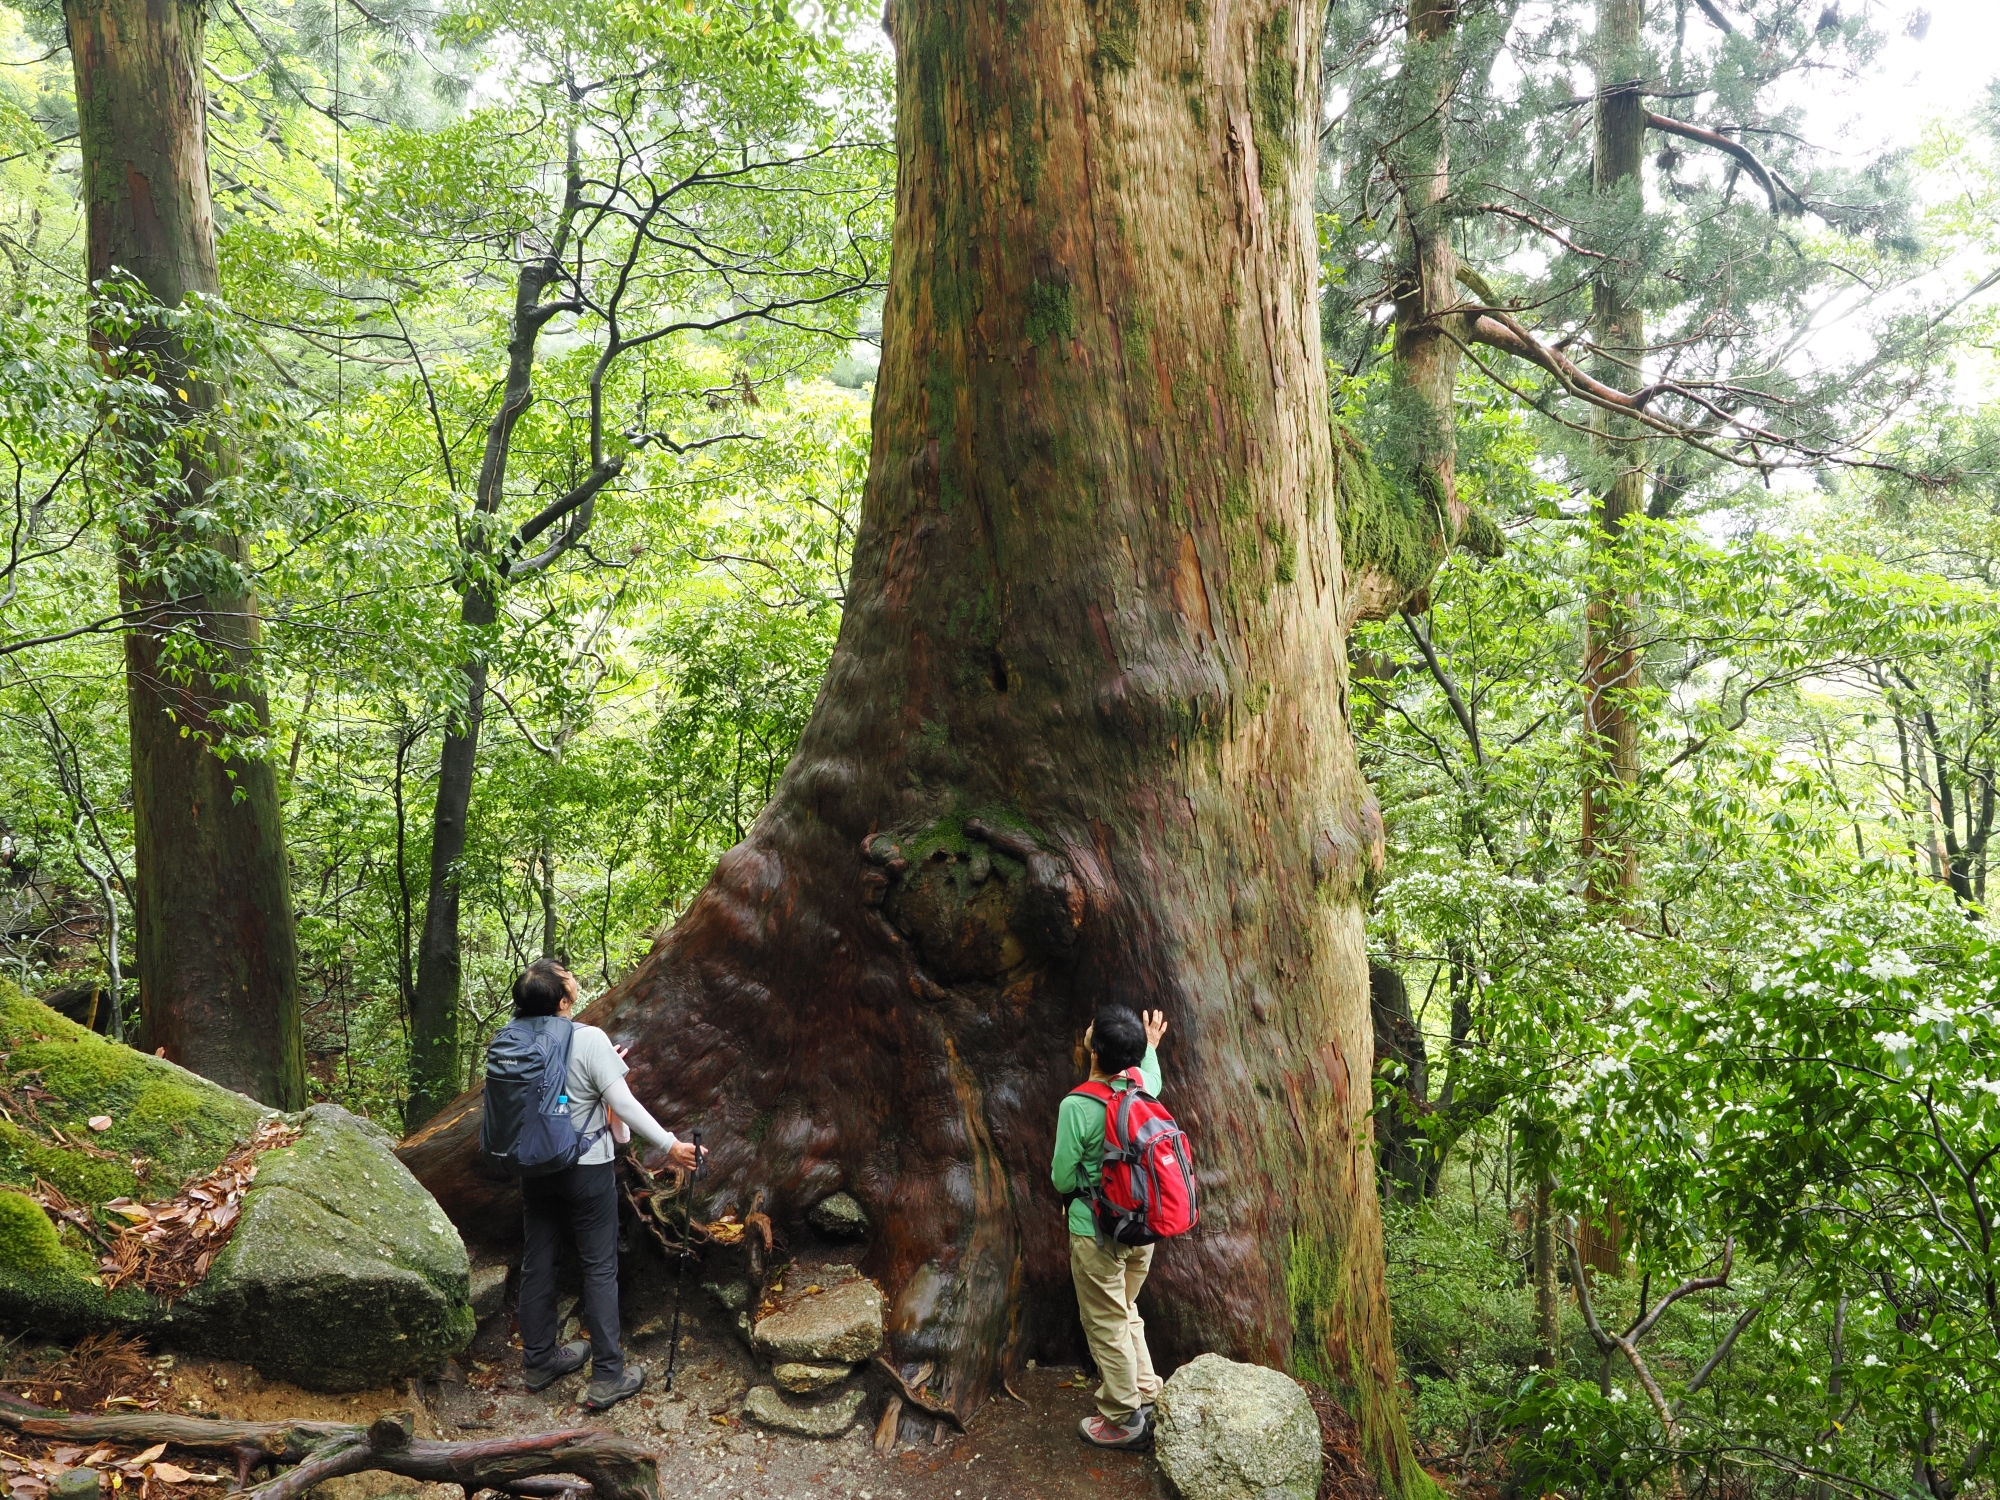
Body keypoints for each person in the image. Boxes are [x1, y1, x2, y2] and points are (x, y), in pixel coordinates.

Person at [509, 958, 702, 1410]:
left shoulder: (511, 1041)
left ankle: (538, 1361)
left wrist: (600, 1068)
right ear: (562, 999)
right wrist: (671, 1146)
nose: (572, 975)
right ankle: (608, 1376)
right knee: (599, 1266)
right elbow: (623, 1105)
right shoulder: (588, 1038)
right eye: (565, 975)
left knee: (539, 1261)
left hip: (535, 1168)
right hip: (586, 1167)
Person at [1050, 1004, 1170, 1449]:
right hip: (1143, 1229)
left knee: (1104, 1321)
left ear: (1094, 1050)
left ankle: (1123, 1420)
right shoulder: (1145, 1089)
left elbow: (1063, 1178)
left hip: (1096, 1231)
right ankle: (1148, 1393)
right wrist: (1150, 1046)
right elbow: (1148, 1071)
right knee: (1125, 1309)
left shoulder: (1077, 1106)